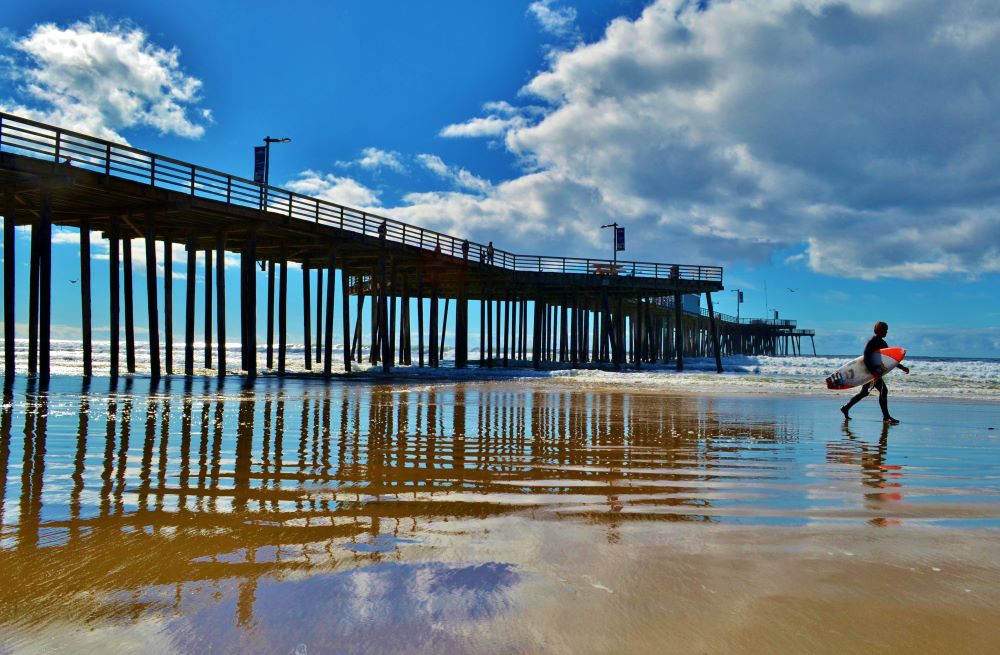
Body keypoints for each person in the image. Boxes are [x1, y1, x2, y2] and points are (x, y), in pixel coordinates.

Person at [841, 321, 910, 424]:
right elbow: (866, 358)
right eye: (884, 330)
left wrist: (901, 367)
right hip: (869, 371)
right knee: (883, 390)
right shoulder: (872, 342)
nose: (886, 332)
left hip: (875, 372)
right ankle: (886, 417)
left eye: (886, 331)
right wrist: (873, 373)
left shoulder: (883, 343)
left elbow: (888, 359)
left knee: (864, 392)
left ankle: (846, 408)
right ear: (877, 331)